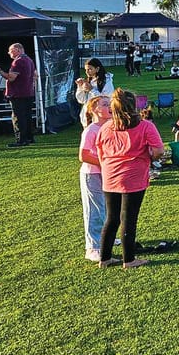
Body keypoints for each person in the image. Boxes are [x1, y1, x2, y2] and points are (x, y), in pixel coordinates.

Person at [94, 89, 165, 268]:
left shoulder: (105, 127)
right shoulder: (145, 126)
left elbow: (100, 152)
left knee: (111, 218)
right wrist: (148, 158)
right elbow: (159, 151)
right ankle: (129, 260)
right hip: (133, 177)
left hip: (110, 176)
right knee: (129, 218)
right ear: (133, 105)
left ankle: (104, 258)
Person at [78, 96, 111, 262]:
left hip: (107, 174)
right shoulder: (91, 130)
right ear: (95, 109)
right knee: (94, 210)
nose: (110, 107)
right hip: (92, 174)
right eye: (105, 104)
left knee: (107, 208)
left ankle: (106, 238)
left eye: (111, 104)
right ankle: (93, 247)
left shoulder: (111, 127)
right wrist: (105, 164)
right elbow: (83, 155)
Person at [0, 42, 36, 148]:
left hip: (17, 94)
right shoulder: (29, 60)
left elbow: (11, 78)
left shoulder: (18, 62)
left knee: (18, 117)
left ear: (17, 50)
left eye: (10, 50)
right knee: (27, 116)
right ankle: (29, 137)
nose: (8, 53)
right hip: (28, 92)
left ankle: (21, 140)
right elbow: (35, 75)